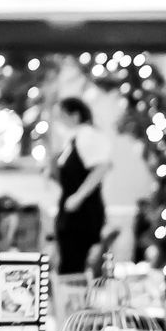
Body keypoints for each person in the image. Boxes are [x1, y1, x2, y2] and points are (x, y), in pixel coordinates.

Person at [49, 96, 111, 275]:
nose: (58, 122)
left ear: (75, 116)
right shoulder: (71, 139)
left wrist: (78, 196)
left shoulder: (88, 136)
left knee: (75, 263)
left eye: (61, 116)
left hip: (84, 212)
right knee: (67, 261)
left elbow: (101, 167)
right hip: (69, 211)